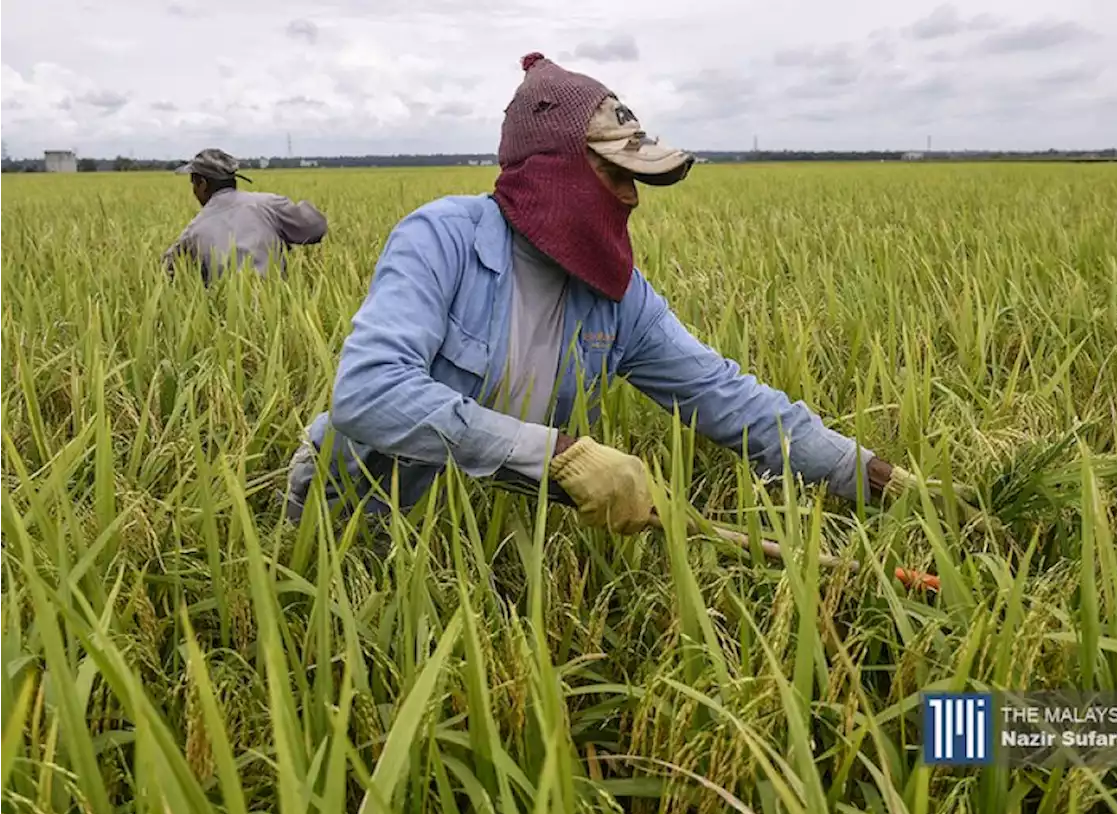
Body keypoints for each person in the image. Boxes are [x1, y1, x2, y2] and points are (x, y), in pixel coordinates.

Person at [284, 52, 922, 532]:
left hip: (471, 526)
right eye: (615, 172)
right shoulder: (441, 239)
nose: (631, 196)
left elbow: (729, 399)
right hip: (354, 508)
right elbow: (368, 393)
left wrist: (875, 476)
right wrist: (556, 452)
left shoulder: (618, 296)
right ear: (551, 170)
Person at [163, 148, 328, 283]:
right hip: (279, 307)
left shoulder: (194, 230)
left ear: (203, 184)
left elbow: (166, 272)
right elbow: (315, 228)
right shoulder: (269, 204)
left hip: (226, 315)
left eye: (193, 184)